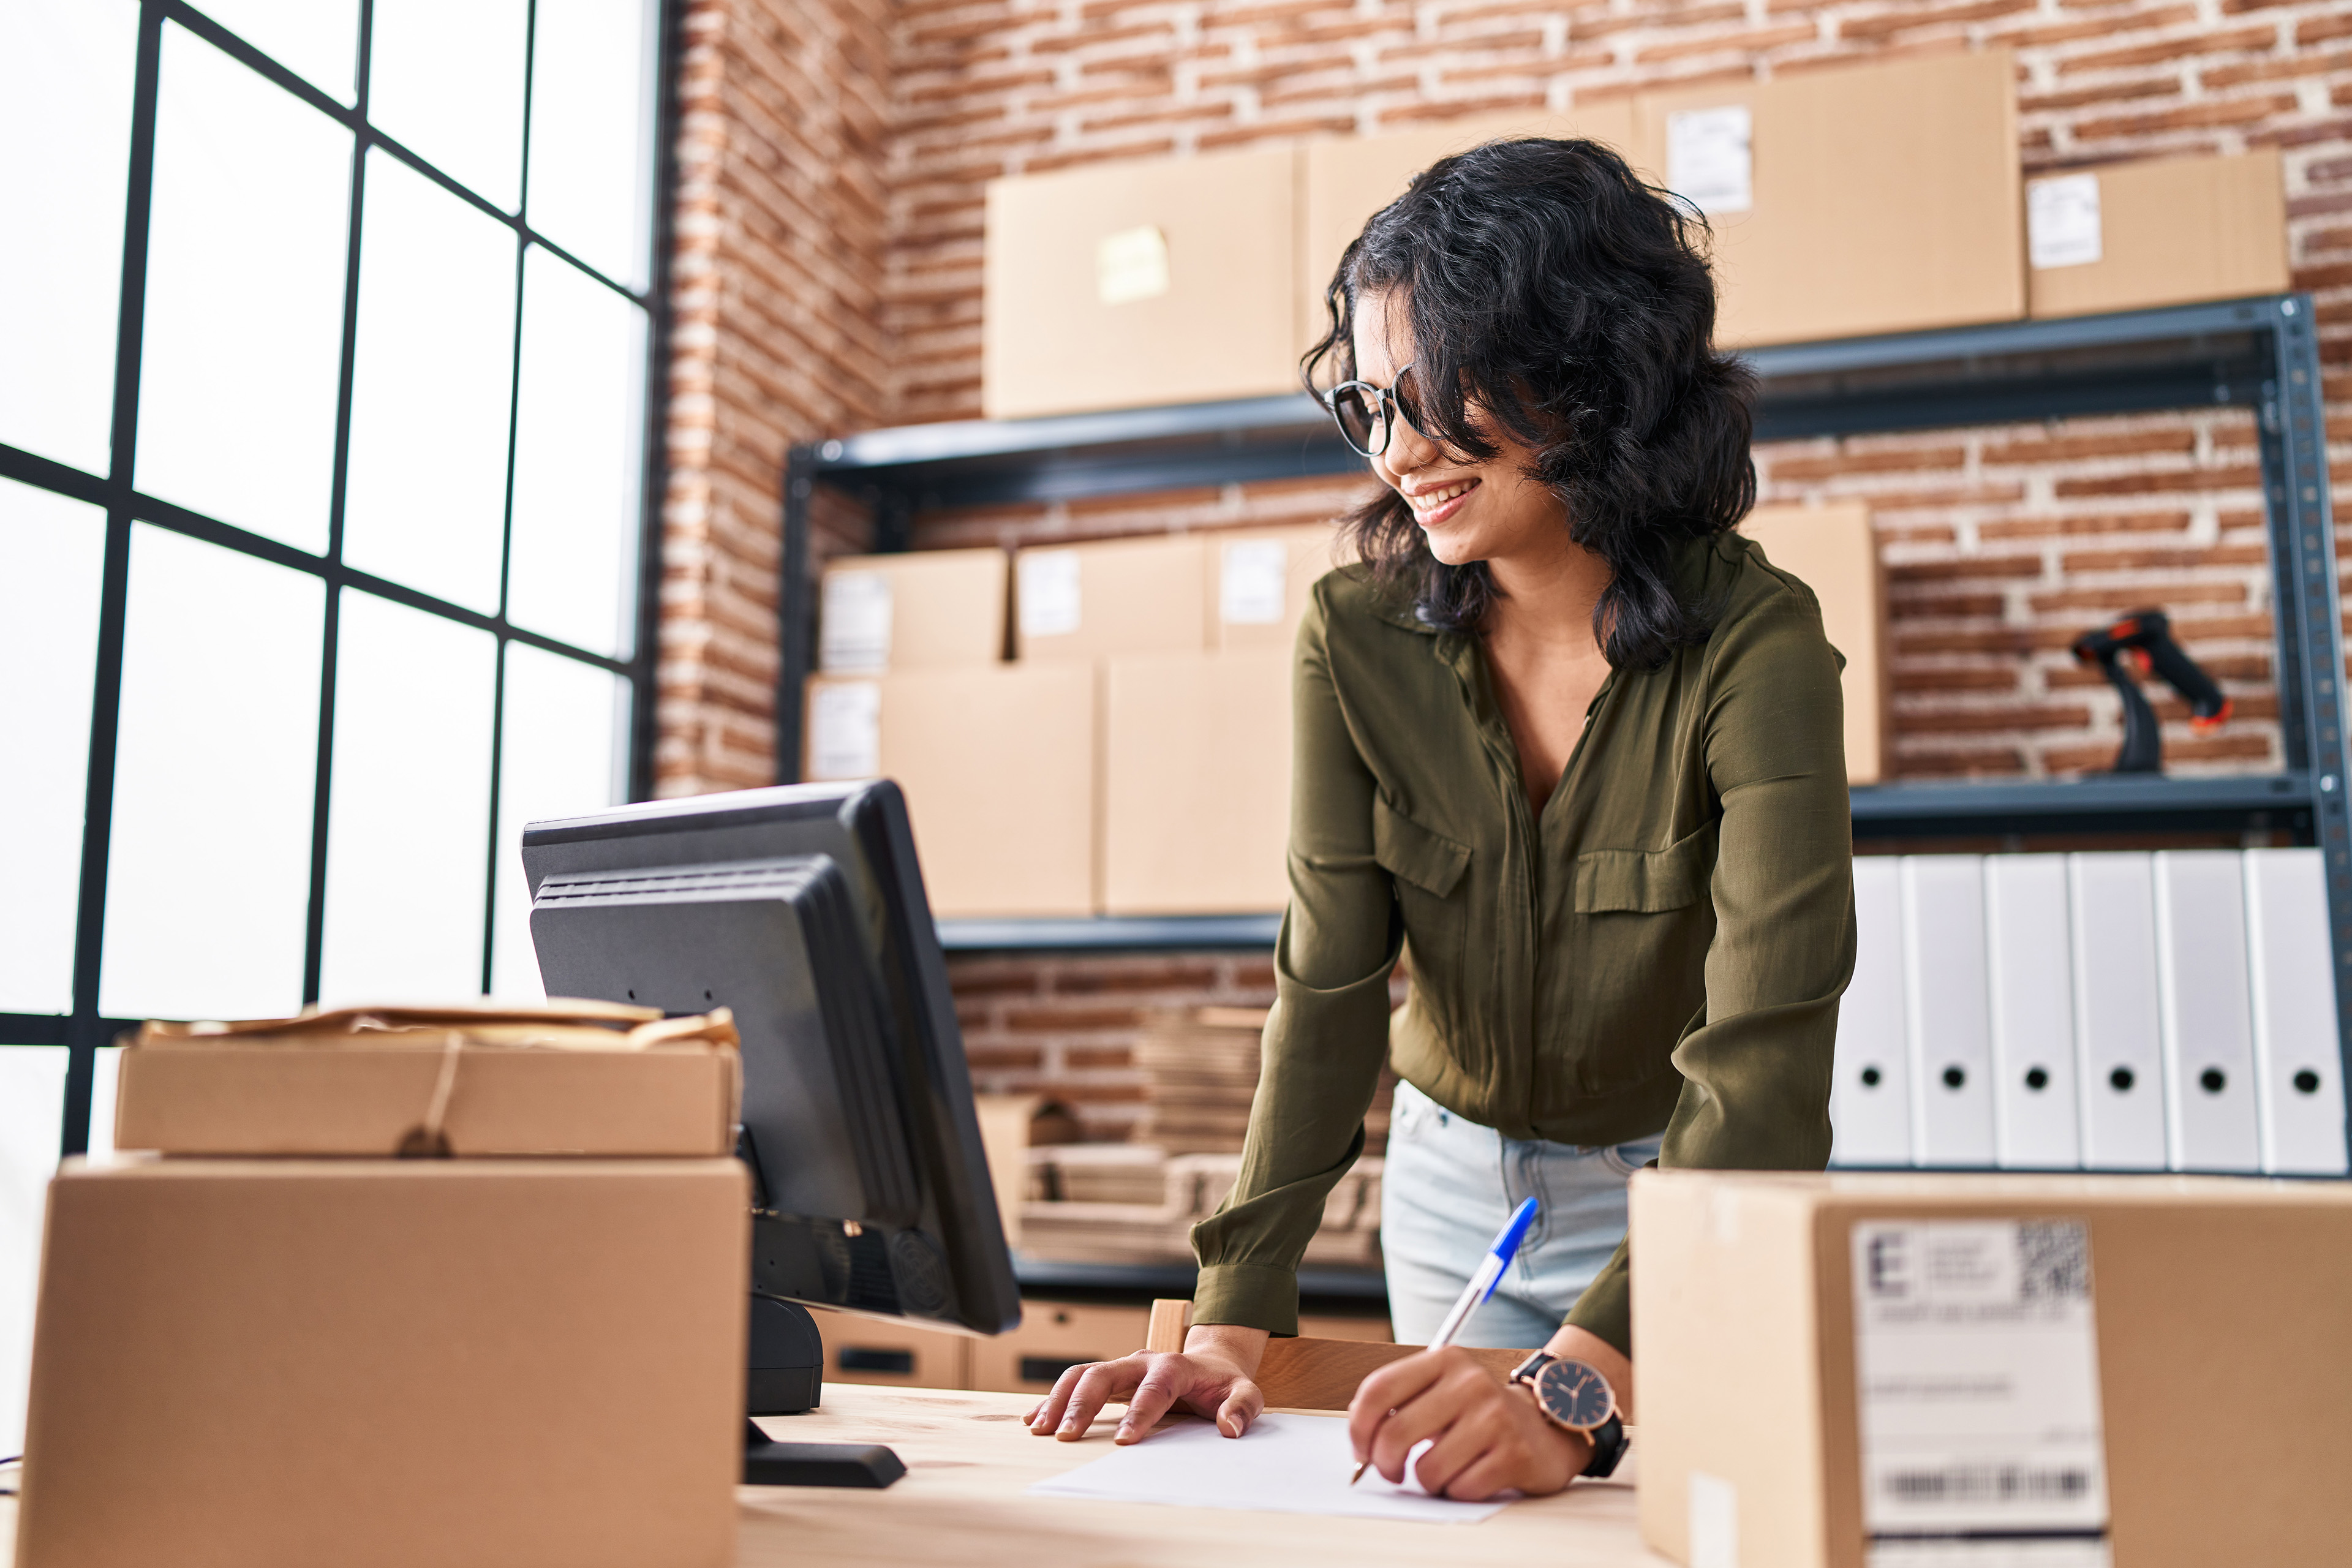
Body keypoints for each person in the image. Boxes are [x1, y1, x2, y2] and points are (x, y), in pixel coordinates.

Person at [1027, 135, 1853, 1500]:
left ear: (1587, 373)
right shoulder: (1354, 633)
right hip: (1448, 1184)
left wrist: (1583, 1378)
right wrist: (1237, 1317)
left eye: (1438, 395)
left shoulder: (1756, 647)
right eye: (1369, 400)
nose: (1399, 451)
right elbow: (1328, 988)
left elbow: (1765, 1066)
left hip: (1685, 1190)